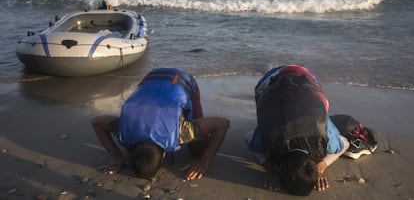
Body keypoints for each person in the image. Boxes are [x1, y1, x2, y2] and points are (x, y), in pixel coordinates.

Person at [92, 68, 229, 181]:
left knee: (197, 149)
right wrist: (115, 154)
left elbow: (222, 124)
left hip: (180, 79)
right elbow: (96, 122)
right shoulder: (122, 129)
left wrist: (203, 162)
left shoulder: (181, 132)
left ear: (164, 155)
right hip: (152, 77)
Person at [245, 65, 350, 196]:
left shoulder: (323, 139)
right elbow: (248, 137)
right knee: (264, 107)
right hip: (272, 80)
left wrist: (321, 166)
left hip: (305, 79)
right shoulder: (271, 140)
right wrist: (268, 165)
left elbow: (344, 143)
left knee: (321, 113)